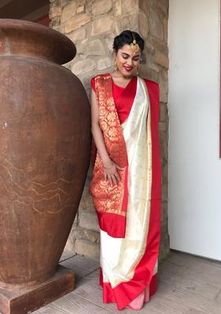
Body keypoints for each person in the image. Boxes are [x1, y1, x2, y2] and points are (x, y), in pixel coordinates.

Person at [90, 30, 161, 310]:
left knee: (137, 220)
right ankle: (115, 280)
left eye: (136, 58)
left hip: (140, 171)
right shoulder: (100, 84)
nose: (130, 62)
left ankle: (135, 282)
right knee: (112, 227)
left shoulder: (147, 89)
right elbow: (95, 124)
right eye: (125, 56)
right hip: (111, 167)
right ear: (115, 54)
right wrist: (106, 161)